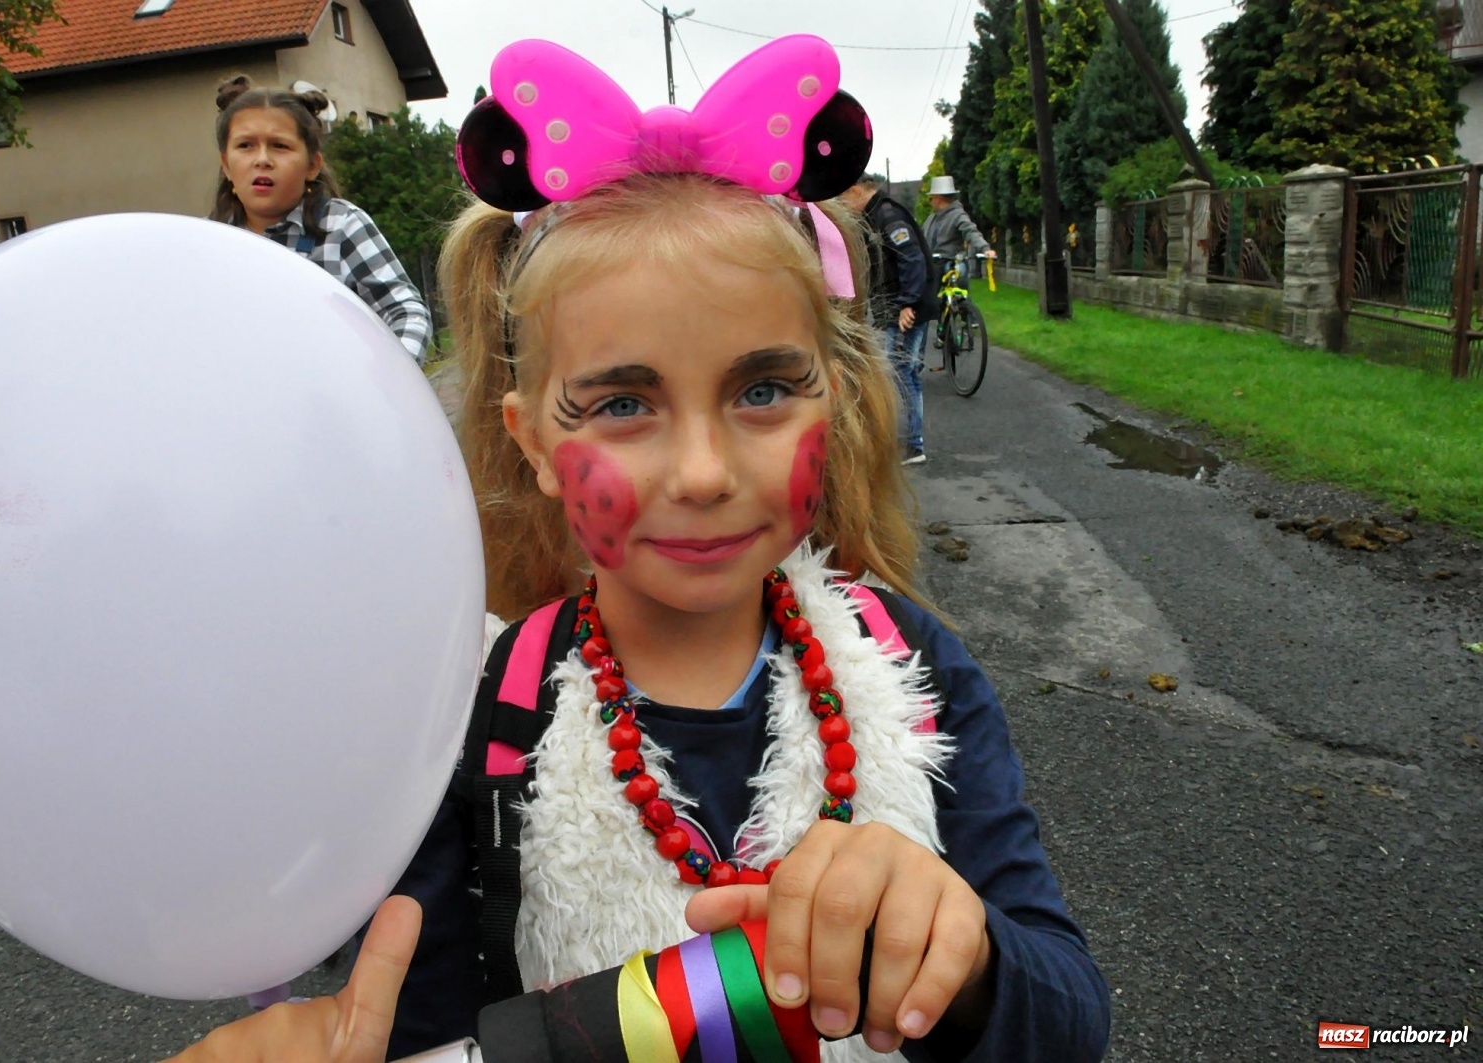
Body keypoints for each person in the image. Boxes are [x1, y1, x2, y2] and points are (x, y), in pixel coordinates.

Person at [170, 36, 1109, 1063]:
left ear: (828, 404)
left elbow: (1067, 1017)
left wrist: (967, 962)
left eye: (761, 390)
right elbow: (428, 1026)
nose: (703, 472)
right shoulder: (475, 721)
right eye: (623, 402)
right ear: (531, 440)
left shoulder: (915, 669)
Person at [211, 77, 432, 364]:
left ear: (312, 165)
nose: (262, 159)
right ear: (226, 164)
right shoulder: (207, 244)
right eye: (245, 146)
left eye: (279, 146)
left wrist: (382, 386)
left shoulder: (341, 227)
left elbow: (406, 313)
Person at [837, 174, 936, 467]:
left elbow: (912, 259)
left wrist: (908, 303)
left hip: (906, 309)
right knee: (901, 371)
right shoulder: (875, 214)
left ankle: (913, 444)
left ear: (855, 191)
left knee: (902, 373)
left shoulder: (886, 214)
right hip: (900, 306)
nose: (842, 206)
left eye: (842, 199)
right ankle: (908, 441)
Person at [921, 175, 993, 276]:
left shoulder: (958, 215)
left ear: (938, 199)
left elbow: (971, 232)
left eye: (931, 198)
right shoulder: (931, 219)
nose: (931, 202)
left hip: (950, 265)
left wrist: (985, 249)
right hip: (930, 265)